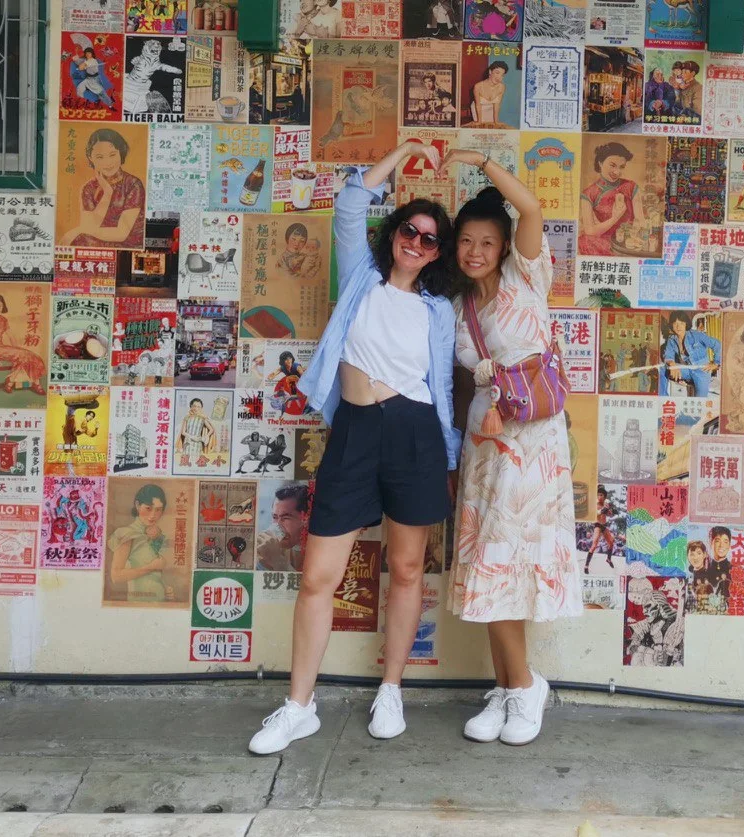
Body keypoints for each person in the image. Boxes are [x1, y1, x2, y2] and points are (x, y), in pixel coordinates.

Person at [248, 141, 460, 755]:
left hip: (417, 431)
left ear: (437, 253)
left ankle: (390, 689)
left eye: (429, 240)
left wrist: (445, 457)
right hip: (356, 432)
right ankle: (298, 705)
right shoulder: (363, 277)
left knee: (408, 569)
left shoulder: (438, 309)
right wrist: (405, 152)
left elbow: (442, 386)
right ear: (394, 232)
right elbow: (348, 204)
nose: (416, 244)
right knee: (318, 575)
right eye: (410, 231)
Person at [442, 146, 580, 747]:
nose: (475, 252)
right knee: (489, 563)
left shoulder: (528, 273)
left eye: (486, 242)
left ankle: (525, 689)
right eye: (466, 241)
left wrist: (484, 164)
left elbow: (530, 207)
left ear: (504, 247)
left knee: (506, 561)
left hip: (535, 442)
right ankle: (507, 687)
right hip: (485, 439)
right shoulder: (456, 306)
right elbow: (463, 380)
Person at [59, 128, 146, 249]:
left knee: (77, 238)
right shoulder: (89, 188)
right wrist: (107, 193)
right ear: (91, 158)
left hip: (129, 245)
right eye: (100, 157)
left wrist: (78, 230)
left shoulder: (133, 184)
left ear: (121, 152)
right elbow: (89, 225)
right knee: (74, 243)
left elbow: (122, 234)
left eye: (112, 155)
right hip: (100, 240)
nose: (108, 162)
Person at [108, 483, 174, 603]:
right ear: (138, 505)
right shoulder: (127, 534)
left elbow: (155, 575)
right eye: (148, 508)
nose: (153, 515)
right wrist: (151, 568)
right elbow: (116, 576)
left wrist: (165, 589)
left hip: (161, 602)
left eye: (158, 510)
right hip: (139, 603)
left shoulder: (157, 535)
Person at [578, 142, 644, 256]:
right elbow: (590, 231)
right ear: (600, 163)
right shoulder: (588, 193)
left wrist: (631, 238)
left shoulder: (631, 186)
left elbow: (640, 220)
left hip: (630, 239)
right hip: (604, 241)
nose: (617, 172)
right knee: (584, 241)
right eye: (612, 165)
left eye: (621, 167)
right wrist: (615, 218)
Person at [659, 312, 720, 398]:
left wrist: (716, 363)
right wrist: (672, 364)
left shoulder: (697, 335)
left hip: (702, 371)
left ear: (686, 324)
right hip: (687, 369)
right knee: (661, 368)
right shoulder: (672, 340)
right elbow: (668, 355)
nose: (678, 326)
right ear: (671, 325)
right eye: (675, 323)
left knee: (700, 399)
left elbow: (717, 345)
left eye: (681, 323)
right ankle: (663, 398)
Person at [255, 483, 310, 572]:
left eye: (286, 518)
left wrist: (277, 560)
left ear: (306, 519)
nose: (278, 525)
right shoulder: (274, 546)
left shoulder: (324, 550)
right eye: (275, 517)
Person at [124, 38, 182, 116]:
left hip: (142, 87)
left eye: (158, 44)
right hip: (130, 83)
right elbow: (137, 60)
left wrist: (174, 70)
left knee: (145, 105)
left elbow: (163, 66)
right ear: (145, 46)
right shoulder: (142, 59)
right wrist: (136, 60)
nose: (156, 45)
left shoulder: (156, 62)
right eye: (152, 43)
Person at [585, 485, 619, 574]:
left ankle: (608, 559)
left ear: (604, 496)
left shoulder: (606, 504)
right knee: (594, 545)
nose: (599, 497)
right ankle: (586, 565)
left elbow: (609, 514)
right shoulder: (595, 504)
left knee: (611, 542)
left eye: (601, 495)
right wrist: (601, 511)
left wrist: (612, 512)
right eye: (598, 495)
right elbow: (594, 514)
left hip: (604, 526)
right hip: (597, 525)